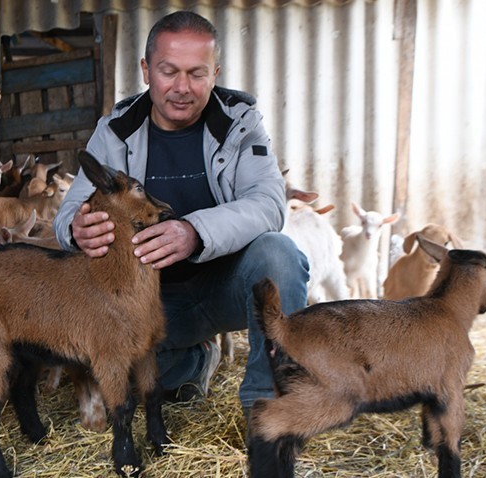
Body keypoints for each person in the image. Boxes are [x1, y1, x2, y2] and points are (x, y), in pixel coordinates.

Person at [53, 11, 309, 413]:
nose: (182, 88)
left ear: (216, 72)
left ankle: (267, 409)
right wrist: (75, 227)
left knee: (280, 254)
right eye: (169, 71)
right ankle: (194, 359)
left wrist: (194, 231)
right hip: (151, 303)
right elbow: (71, 206)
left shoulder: (240, 124)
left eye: (197, 73)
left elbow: (269, 203)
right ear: (146, 70)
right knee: (109, 371)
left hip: (224, 286)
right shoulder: (116, 130)